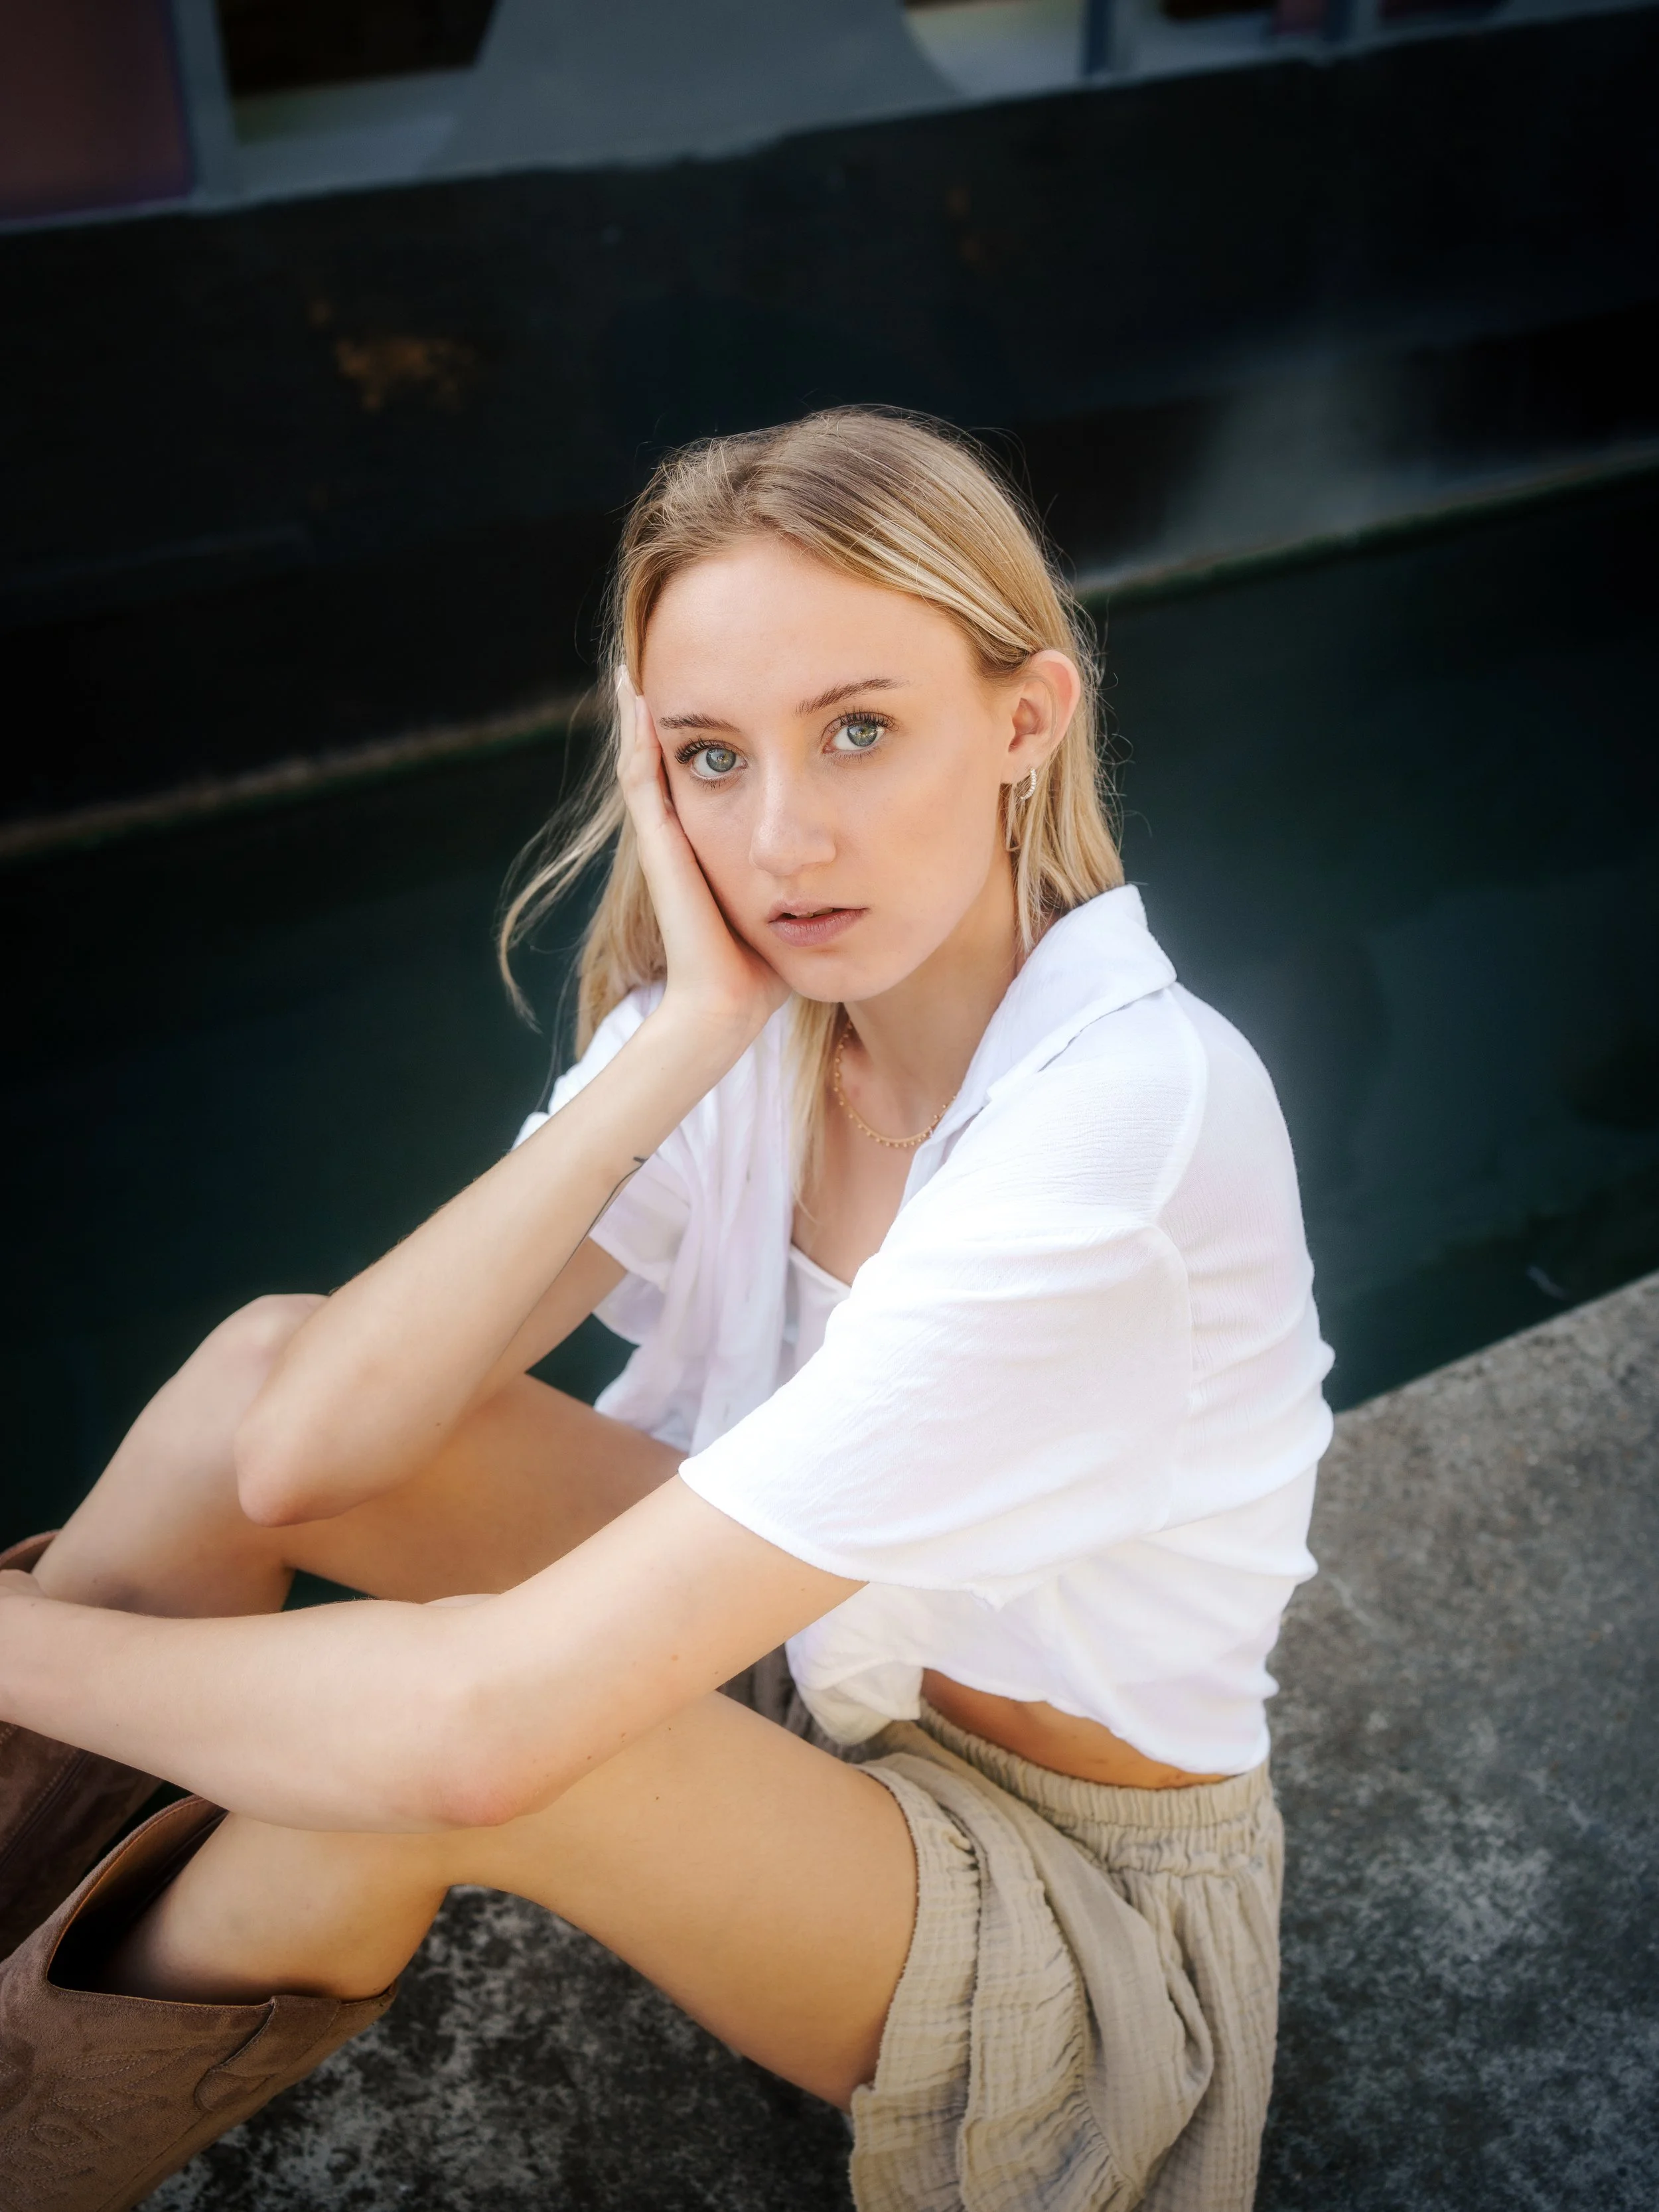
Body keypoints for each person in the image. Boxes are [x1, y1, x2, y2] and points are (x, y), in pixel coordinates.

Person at [0, 409, 1331, 2212]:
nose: (782, 836)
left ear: (1023, 719)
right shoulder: (762, 1017)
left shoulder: (1113, 1141)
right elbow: (301, 1451)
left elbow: (479, 1734)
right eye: (710, 756)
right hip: (807, 1668)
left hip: (1071, 1905)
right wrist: (688, 1032)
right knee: (256, 1369)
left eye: (857, 730)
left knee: (434, 1772)